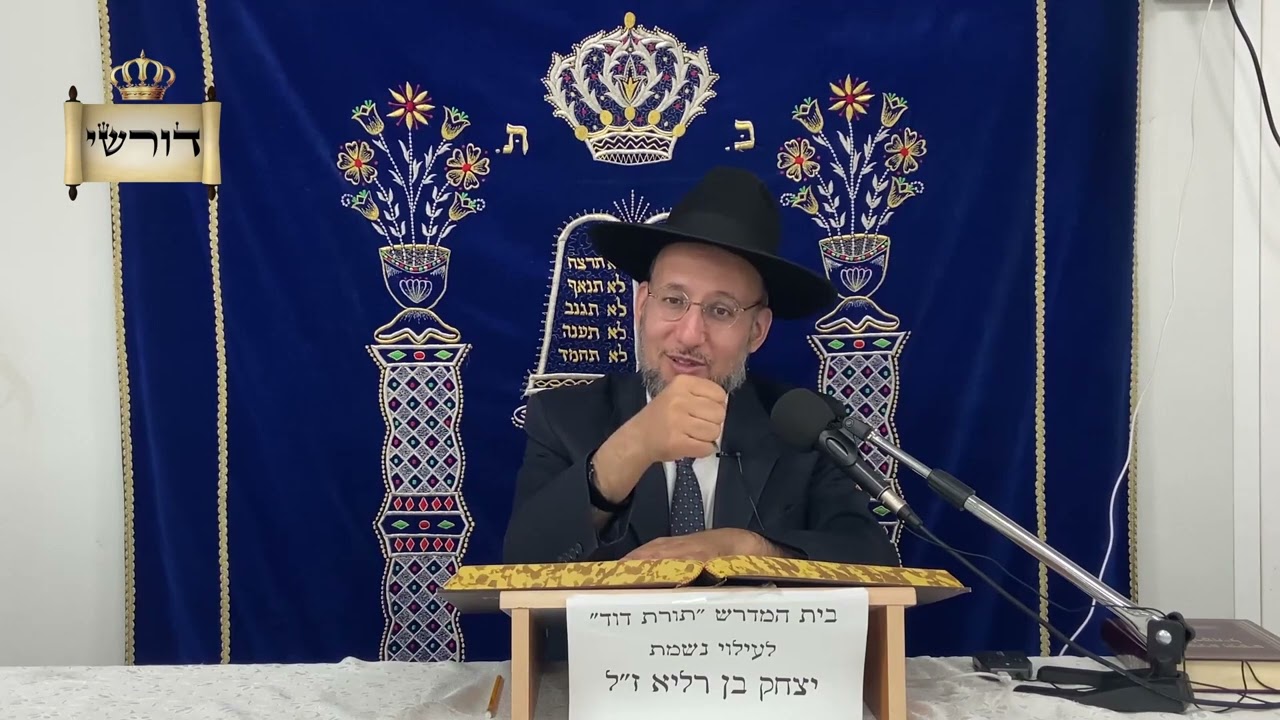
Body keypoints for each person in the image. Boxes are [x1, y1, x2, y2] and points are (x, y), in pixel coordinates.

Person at [503, 166, 900, 569]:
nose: (691, 335)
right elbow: (521, 566)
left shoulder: (802, 430)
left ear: (756, 331)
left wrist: (750, 549)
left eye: (721, 310)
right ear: (642, 305)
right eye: (673, 301)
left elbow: (874, 561)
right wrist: (632, 447)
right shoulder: (562, 416)